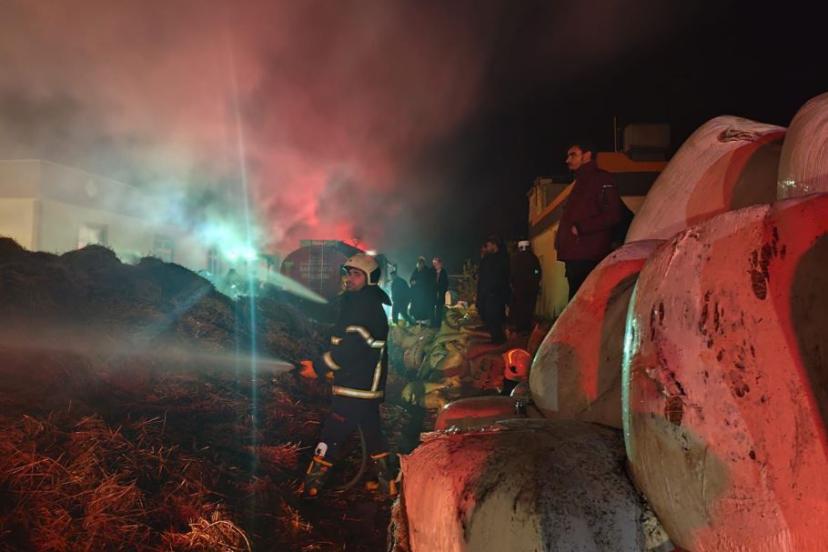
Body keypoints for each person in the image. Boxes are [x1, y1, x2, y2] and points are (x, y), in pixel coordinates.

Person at [298, 253, 397, 498]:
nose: (349, 279)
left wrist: (320, 367)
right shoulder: (359, 303)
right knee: (372, 434)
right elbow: (342, 336)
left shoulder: (365, 308)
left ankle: (310, 487)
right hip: (362, 386)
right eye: (348, 273)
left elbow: (352, 348)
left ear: (370, 279)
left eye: (356, 275)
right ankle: (388, 484)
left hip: (356, 386)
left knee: (332, 433)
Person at [555, 141, 623, 299]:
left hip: (587, 256)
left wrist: (581, 228)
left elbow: (613, 214)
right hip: (576, 256)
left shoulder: (602, 179)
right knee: (576, 301)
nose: (568, 160)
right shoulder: (580, 182)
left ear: (587, 155)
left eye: (573, 155)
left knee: (583, 301)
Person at [476, 236, 510, 344]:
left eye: (488, 245)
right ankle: (498, 340)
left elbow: (490, 279)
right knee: (492, 319)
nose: (487, 247)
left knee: (493, 319)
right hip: (493, 294)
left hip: (493, 294)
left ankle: (499, 341)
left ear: (494, 245)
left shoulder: (497, 260)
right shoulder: (498, 259)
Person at [510, 240, 541, 334]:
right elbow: (537, 271)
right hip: (531, 287)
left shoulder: (514, 258)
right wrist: (535, 280)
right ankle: (526, 327)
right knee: (529, 308)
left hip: (519, 287)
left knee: (519, 308)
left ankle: (520, 327)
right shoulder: (533, 258)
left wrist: (513, 284)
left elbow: (511, 273)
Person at [409, 256, 435, 324]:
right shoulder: (416, 270)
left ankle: (424, 322)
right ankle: (417, 321)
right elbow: (411, 280)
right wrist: (413, 282)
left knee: (423, 308)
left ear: (423, 263)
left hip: (424, 294)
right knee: (415, 308)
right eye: (419, 262)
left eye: (421, 262)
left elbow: (426, 281)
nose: (420, 264)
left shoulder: (426, 270)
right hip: (415, 295)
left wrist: (416, 282)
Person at [431, 257, 449, 328]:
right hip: (433, 294)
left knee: (439, 309)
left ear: (440, 264)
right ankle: (432, 323)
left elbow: (445, 283)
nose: (434, 265)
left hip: (440, 294)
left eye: (436, 263)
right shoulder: (432, 271)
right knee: (431, 309)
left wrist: (441, 290)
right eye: (433, 263)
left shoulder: (443, 272)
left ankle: (438, 324)